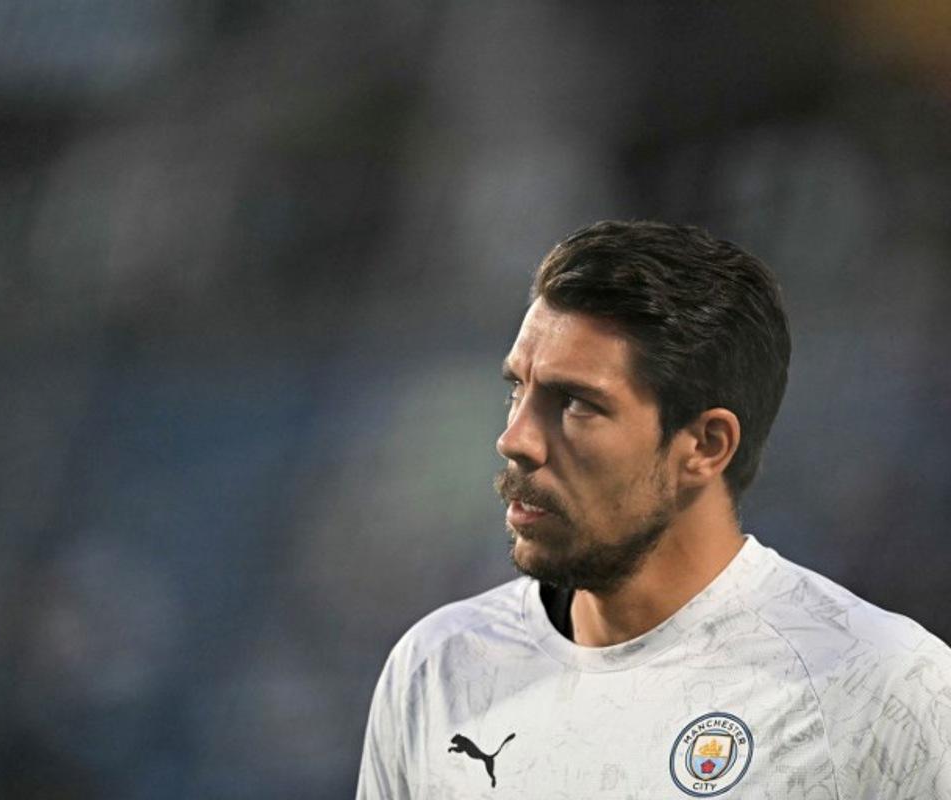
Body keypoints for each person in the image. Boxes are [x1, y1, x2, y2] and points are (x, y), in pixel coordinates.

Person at [355, 220, 951, 799]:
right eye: (519, 389)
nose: (516, 439)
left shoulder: (882, 688)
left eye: (575, 403)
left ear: (705, 446)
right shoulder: (438, 668)